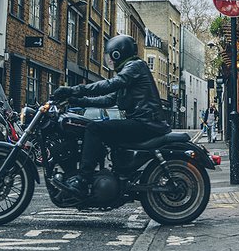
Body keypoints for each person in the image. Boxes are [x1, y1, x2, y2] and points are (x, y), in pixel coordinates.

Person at [52, 34, 170, 198]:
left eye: (110, 56)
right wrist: (75, 100)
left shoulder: (135, 67)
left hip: (146, 123)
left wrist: (75, 89)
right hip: (143, 122)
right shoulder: (129, 73)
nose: (109, 61)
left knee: (94, 128)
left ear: (118, 54)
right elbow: (108, 99)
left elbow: (109, 85)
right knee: (97, 128)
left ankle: (83, 179)